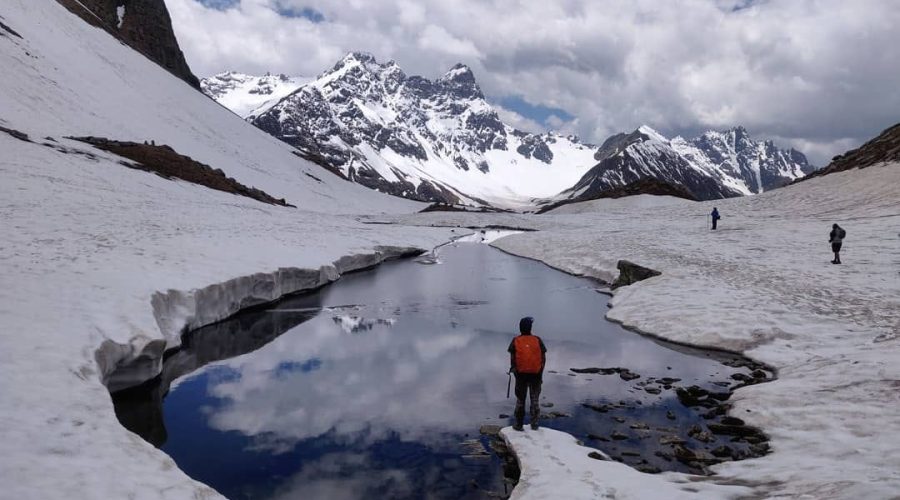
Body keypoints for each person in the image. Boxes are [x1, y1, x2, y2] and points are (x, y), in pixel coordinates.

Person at [507, 316, 547, 431]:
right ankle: (534, 424)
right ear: (530, 328)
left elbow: (513, 360)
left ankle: (519, 425)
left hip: (521, 376)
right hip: (536, 375)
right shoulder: (537, 340)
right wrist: (540, 374)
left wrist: (516, 374)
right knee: (535, 400)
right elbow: (543, 359)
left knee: (520, 400)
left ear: (520, 328)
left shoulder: (515, 341)